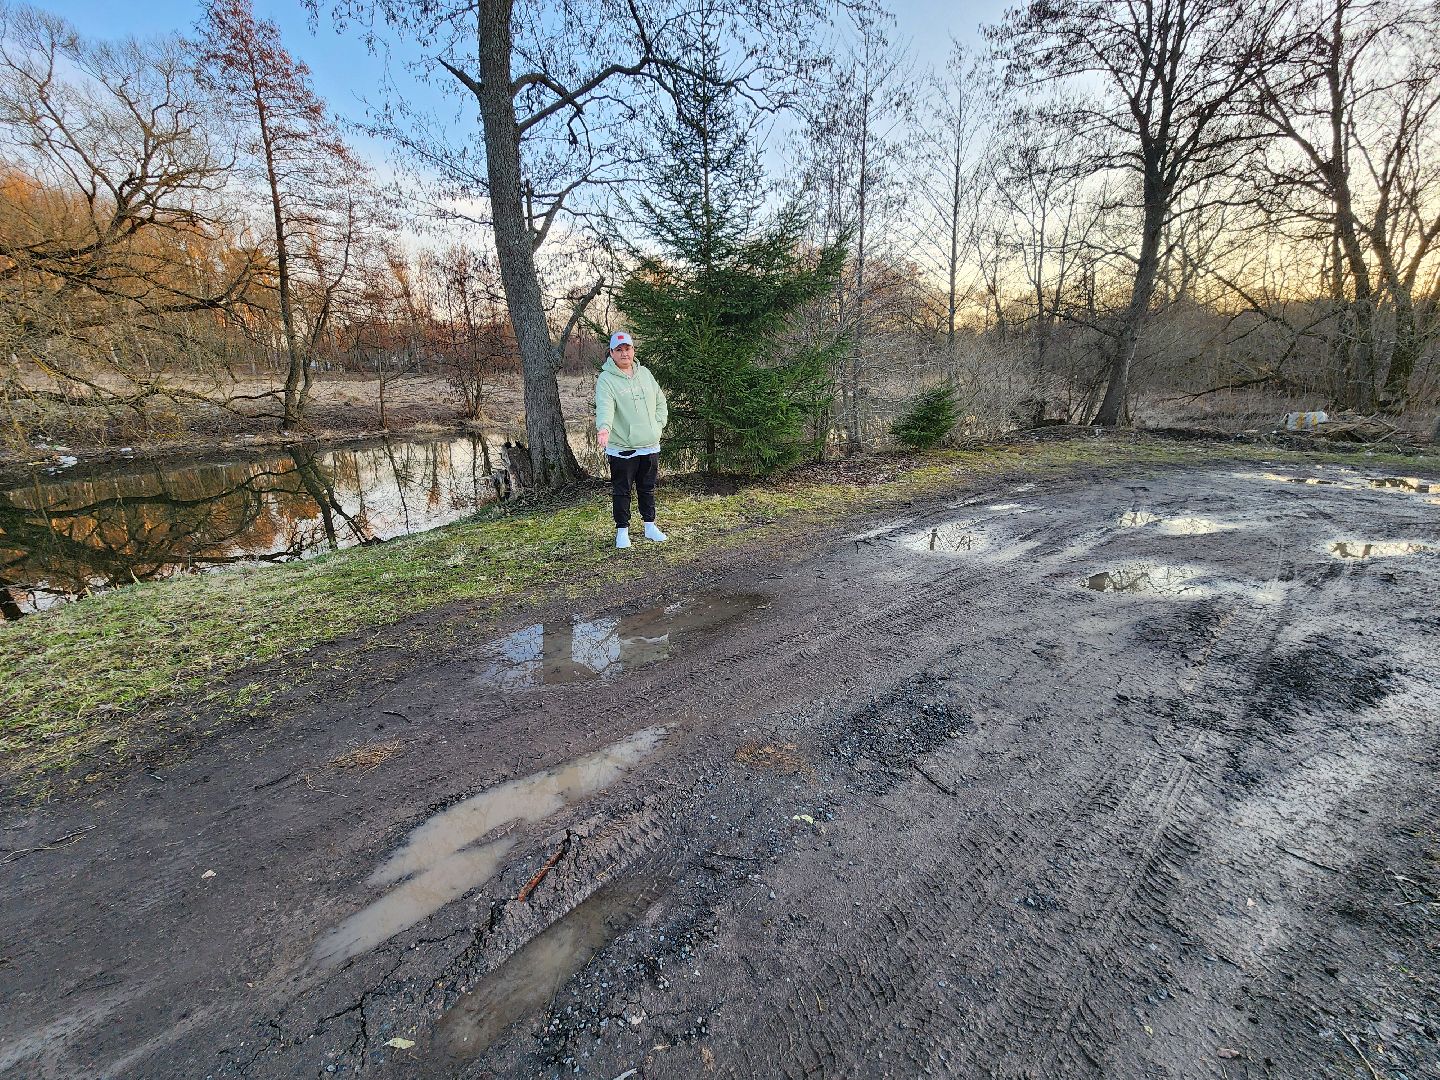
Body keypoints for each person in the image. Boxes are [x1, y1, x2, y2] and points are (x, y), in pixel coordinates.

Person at [595, 331, 668, 549]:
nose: (624, 353)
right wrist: (604, 429)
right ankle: (622, 532)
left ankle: (650, 526)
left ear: (633, 350)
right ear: (611, 353)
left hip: (649, 443)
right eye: (619, 350)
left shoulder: (645, 374)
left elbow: (660, 401)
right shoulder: (606, 379)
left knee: (647, 487)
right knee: (622, 490)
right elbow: (605, 407)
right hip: (623, 447)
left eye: (627, 349)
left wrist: (658, 425)